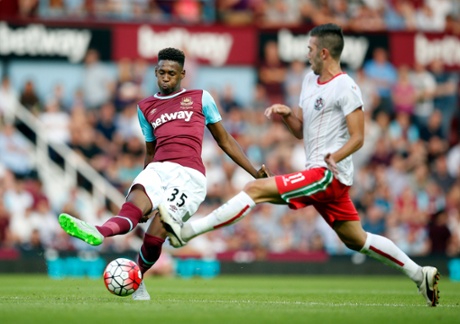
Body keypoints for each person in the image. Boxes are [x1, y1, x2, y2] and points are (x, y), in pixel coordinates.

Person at [159, 24, 441, 307]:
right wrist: (285, 114)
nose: (306, 55)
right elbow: (300, 130)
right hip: (320, 175)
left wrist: (337, 156)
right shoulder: (309, 80)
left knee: (255, 189)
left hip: (328, 174)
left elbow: (359, 137)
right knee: (356, 240)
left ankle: (186, 233)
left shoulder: (347, 87)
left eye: (309, 50)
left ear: (324, 53)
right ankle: (420, 274)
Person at [58, 48, 269, 300]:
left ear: (182, 74)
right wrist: (147, 186)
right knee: (132, 209)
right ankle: (99, 231)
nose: (165, 77)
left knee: (155, 235)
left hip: (189, 176)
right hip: (158, 168)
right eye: (161, 72)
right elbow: (150, 150)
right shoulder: (145, 107)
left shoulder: (201, 98)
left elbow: (225, 141)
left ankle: (138, 277)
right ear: (155, 73)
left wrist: (255, 172)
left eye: (171, 73)